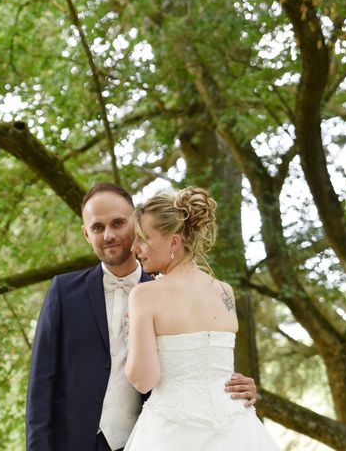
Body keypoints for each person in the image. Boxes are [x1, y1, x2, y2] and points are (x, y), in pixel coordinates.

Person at [26, 183, 258, 451]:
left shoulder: (168, 292)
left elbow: (198, 355)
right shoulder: (63, 292)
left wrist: (235, 386)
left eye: (118, 223)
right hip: (74, 442)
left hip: (152, 438)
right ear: (86, 235)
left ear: (134, 223)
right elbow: (41, 384)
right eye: (97, 227)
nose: (109, 234)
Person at [124, 187, 281, 451]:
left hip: (171, 433)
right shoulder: (224, 292)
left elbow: (143, 379)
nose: (134, 247)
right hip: (237, 428)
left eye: (143, 238)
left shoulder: (144, 295)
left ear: (174, 242)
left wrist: (133, 334)